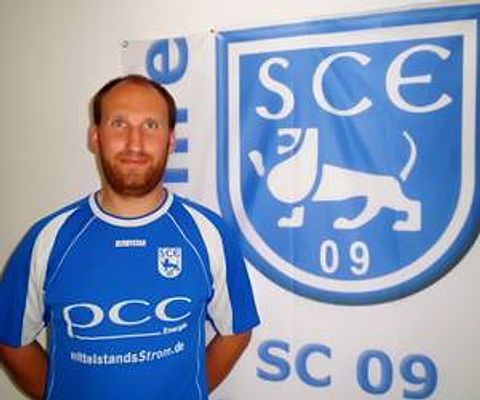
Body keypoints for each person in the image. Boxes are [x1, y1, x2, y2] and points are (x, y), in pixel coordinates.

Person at [0, 74, 260, 399]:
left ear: (171, 140)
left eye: (151, 125)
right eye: (119, 123)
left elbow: (236, 332)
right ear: (95, 136)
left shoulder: (210, 235)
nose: (134, 142)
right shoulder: (48, 240)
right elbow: (11, 339)